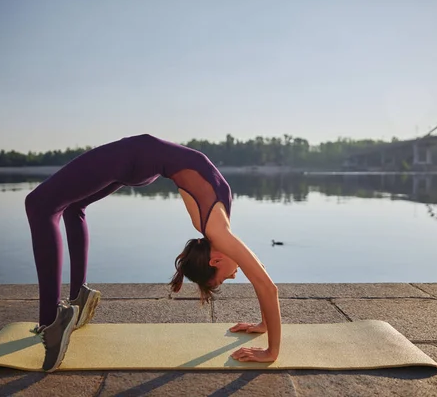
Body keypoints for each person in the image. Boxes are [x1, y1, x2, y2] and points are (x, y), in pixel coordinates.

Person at [25, 134, 282, 372]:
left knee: (40, 204)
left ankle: (52, 323)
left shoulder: (218, 229)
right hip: (137, 159)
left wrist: (266, 336)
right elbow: (267, 286)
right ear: (216, 260)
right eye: (224, 278)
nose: (235, 276)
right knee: (67, 206)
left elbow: (264, 284)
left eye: (225, 278)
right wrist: (270, 346)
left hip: (135, 157)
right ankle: (77, 300)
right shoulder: (219, 230)